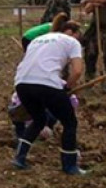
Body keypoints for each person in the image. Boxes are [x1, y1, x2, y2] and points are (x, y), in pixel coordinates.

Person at [11, 19, 86, 175]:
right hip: (46, 82)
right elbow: (77, 71)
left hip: (22, 83)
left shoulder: (37, 40)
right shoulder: (72, 42)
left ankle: (19, 158)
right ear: (72, 32)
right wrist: (68, 87)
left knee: (39, 120)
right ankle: (70, 165)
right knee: (70, 122)